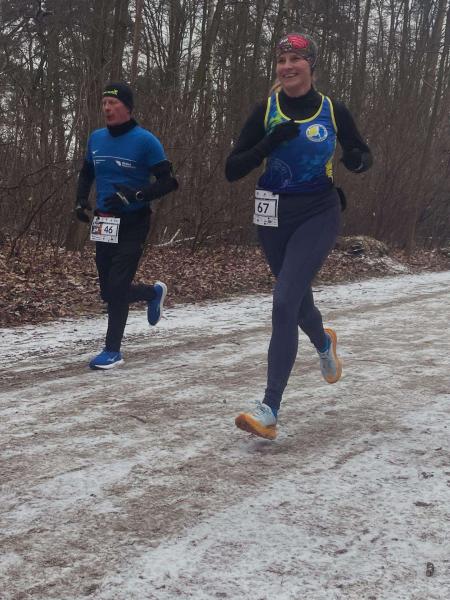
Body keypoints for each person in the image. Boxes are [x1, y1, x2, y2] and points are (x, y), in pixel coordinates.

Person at [226, 33, 372, 439]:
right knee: (296, 297)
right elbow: (232, 169)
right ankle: (323, 343)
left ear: (311, 65)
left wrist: (356, 160)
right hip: (272, 214)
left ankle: (269, 408)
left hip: (318, 211)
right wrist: (269, 142)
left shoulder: (332, 110)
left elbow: (363, 154)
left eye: (296, 59)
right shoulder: (266, 110)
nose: (287, 66)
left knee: (284, 299)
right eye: (282, 60)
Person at [75, 82, 178, 370]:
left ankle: (112, 351)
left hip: (134, 221)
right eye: (104, 103)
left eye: (113, 103)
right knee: (108, 291)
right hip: (104, 221)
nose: (107, 108)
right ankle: (152, 293)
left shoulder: (145, 141)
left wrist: (135, 195)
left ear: (128, 108)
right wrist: (80, 200)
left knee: (118, 286)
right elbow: (86, 173)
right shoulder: (96, 138)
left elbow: (169, 182)